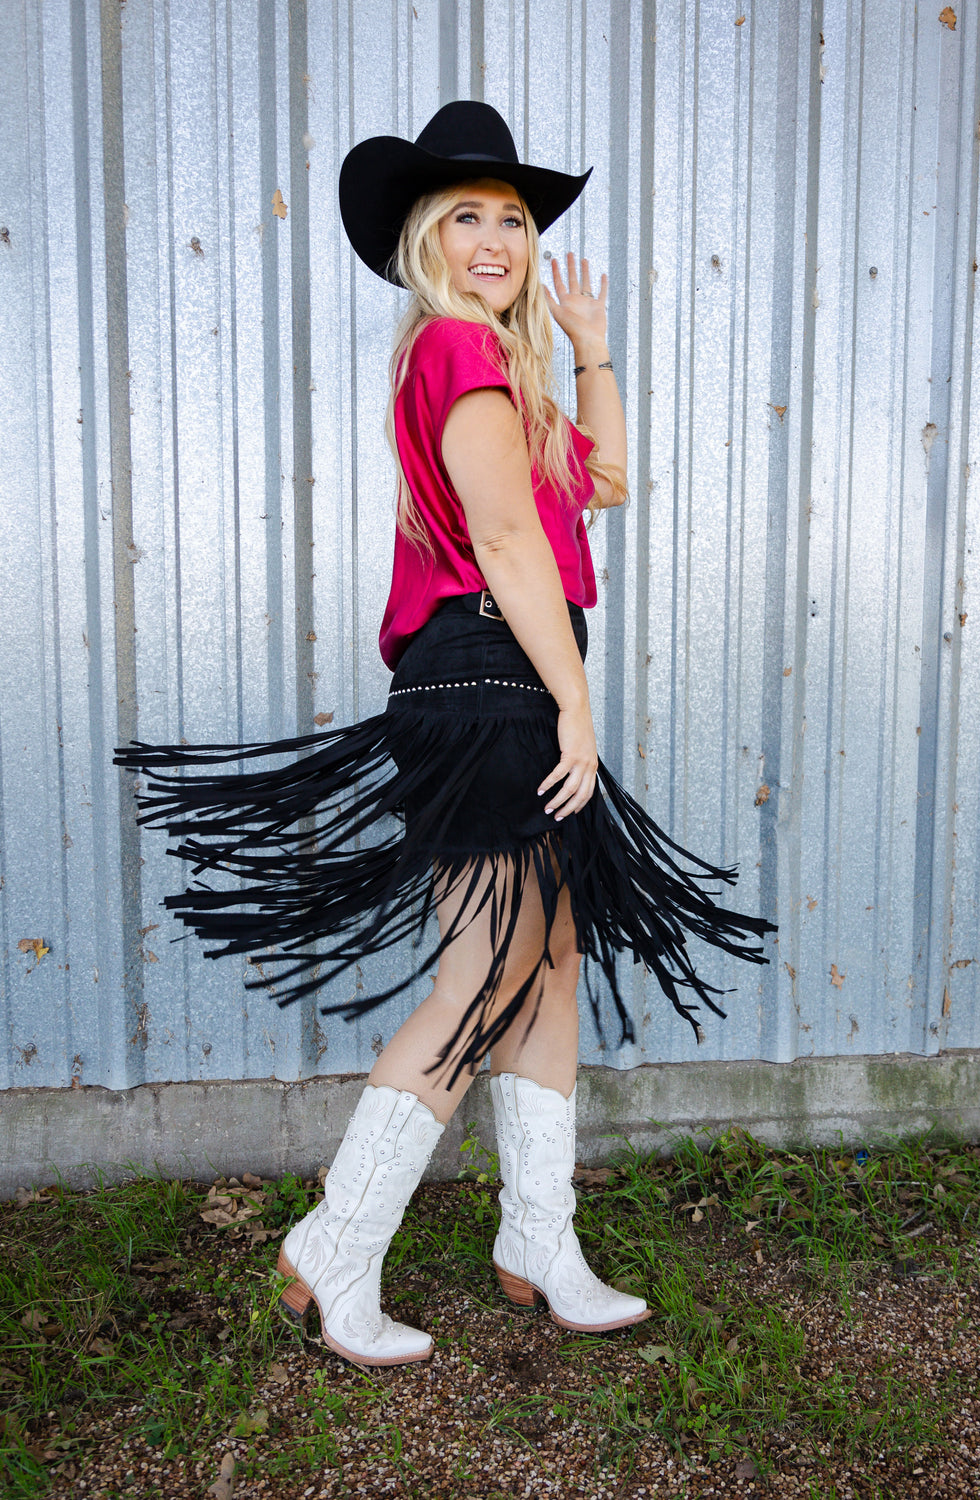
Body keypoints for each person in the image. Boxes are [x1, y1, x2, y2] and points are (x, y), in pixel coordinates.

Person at [115, 102, 775, 1370]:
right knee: (483, 972)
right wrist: (576, 703)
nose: (493, 238)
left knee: (553, 956)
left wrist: (590, 351)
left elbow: (604, 486)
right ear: (424, 238)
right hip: (491, 682)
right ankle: (333, 1246)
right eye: (464, 216)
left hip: (502, 676)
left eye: (512, 219)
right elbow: (512, 545)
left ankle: (539, 1239)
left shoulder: (497, 364)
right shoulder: (453, 353)